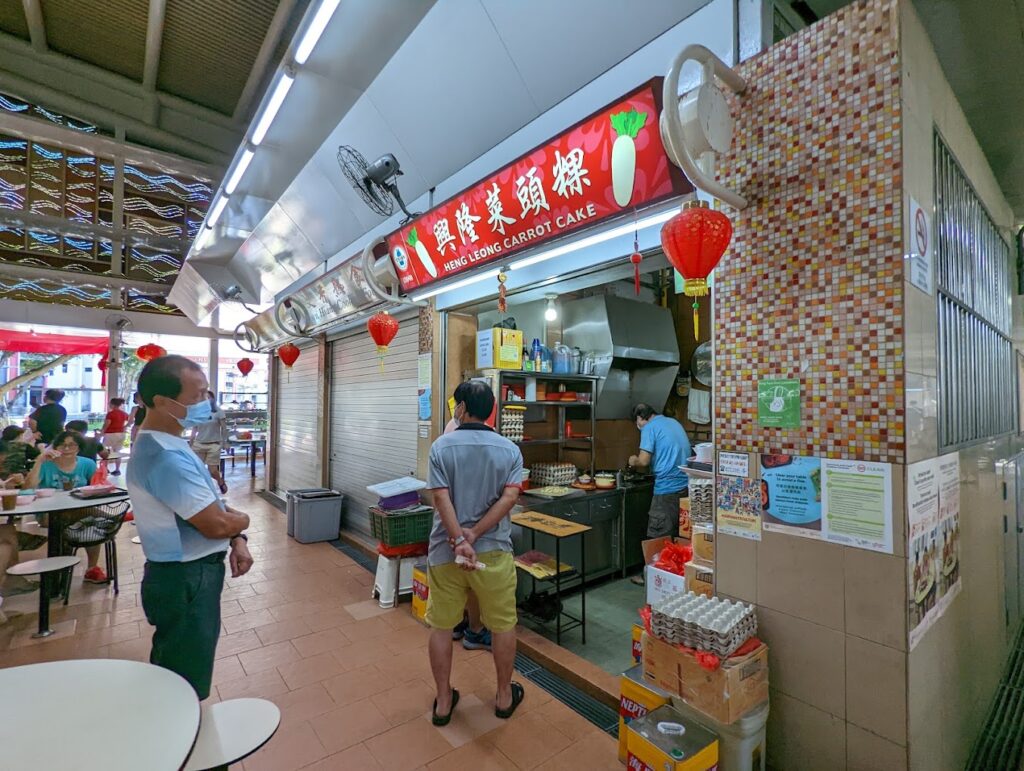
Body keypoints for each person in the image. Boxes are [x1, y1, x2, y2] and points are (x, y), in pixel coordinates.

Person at [127, 355, 253, 700]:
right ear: (163, 402)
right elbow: (215, 522)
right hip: (184, 579)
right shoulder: (162, 456)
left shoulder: (174, 445)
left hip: (193, 574)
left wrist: (237, 538)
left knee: (187, 666)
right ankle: (180, 744)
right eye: (197, 395)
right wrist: (241, 522)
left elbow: (212, 507)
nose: (206, 402)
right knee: (182, 682)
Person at [425, 380, 525, 726]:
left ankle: (442, 702)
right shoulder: (510, 450)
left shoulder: (441, 447)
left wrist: (458, 540)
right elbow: (510, 498)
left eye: (456, 404)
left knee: (441, 626)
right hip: (494, 552)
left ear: (462, 408)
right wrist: (476, 535)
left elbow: (440, 497)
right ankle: (502, 696)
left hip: (445, 551)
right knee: (502, 625)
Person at [24, 430, 108, 583]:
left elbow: (98, 486)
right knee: (94, 517)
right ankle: (108, 518)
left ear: (78, 448)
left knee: (93, 526)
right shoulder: (46, 465)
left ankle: (91, 569)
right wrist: (39, 461)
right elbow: (26, 489)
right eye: (62, 445)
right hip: (49, 514)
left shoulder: (86, 464)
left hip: (79, 512)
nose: (67, 449)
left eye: (72, 445)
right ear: (55, 447)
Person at [442, 382, 490, 651]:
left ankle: (459, 624)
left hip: (453, 524)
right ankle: (474, 630)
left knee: (458, 578)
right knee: (471, 582)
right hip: (470, 525)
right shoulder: (461, 432)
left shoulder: (451, 431)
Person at [628, 404, 691, 583]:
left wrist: (632, 461)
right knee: (676, 536)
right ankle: (674, 576)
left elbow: (643, 460)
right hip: (684, 487)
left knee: (658, 534)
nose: (638, 426)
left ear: (641, 418)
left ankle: (651, 577)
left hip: (666, 489)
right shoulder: (673, 422)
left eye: (637, 422)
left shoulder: (649, 428)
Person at [190, 391, 228, 494]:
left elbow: (224, 429)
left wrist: (225, 442)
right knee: (197, 469)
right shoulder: (198, 412)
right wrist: (191, 441)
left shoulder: (219, 412)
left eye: (209, 397)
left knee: (213, 471)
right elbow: (194, 429)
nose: (207, 399)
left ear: (213, 399)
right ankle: (203, 490)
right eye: (204, 398)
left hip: (214, 444)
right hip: (199, 444)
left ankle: (220, 481)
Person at [100, 397, 130, 475]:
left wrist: (102, 432)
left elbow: (107, 424)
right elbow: (131, 420)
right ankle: (117, 469)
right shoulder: (124, 413)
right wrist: (125, 426)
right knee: (117, 452)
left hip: (110, 434)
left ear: (112, 404)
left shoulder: (110, 414)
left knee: (105, 451)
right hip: (121, 434)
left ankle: (105, 469)